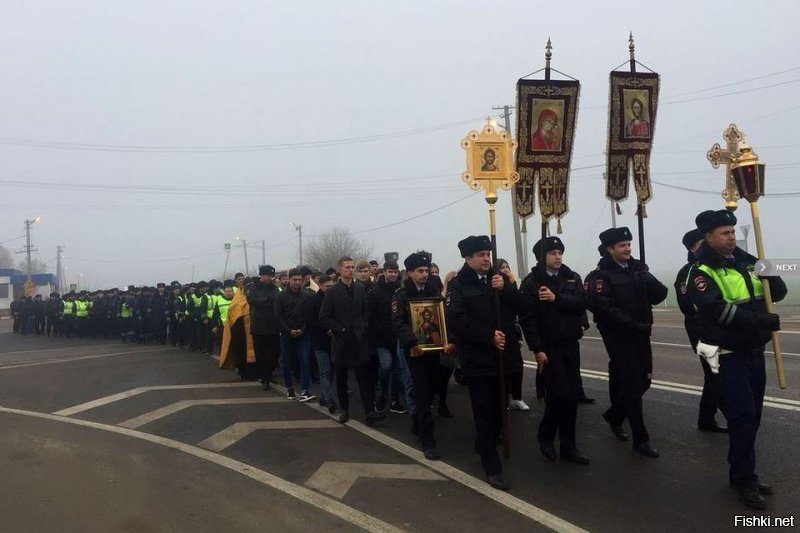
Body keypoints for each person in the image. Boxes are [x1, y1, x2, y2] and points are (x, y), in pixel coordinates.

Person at [686, 209, 786, 509]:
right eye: (724, 233)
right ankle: (745, 479)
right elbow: (717, 311)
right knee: (741, 417)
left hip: (755, 351)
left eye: (732, 231)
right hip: (729, 355)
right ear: (709, 237)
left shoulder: (747, 263)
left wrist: (769, 271)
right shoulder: (701, 272)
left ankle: (739, 471)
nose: (731, 236)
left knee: (752, 416)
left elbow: (775, 293)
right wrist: (760, 322)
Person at [445, 235, 523, 490]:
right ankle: (492, 466)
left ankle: (485, 442)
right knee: (484, 412)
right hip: (478, 359)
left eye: (488, 254)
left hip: (503, 357)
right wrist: (487, 335)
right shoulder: (458, 285)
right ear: (468, 258)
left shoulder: (497, 280)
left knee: (501, 408)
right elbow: (456, 319)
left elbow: (520, 307)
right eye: (480, 255)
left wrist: (506, 289)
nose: (486, 259)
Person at [585, 227, 668, 458]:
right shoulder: (600, 276)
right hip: (618, 335)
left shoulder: (637, 270)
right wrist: (631, 323)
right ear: (610, 249)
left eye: (629, 244)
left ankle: (614, 414)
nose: (628, 249)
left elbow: (660, 294)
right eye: (622, 245)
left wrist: (646, 277)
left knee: (644, 381)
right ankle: (641, 439)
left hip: (641, 332)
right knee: (633, 383)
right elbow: (601, 306)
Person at [519, 237, 590, 465]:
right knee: (559, 393)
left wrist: (556, 298)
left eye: (560, 252)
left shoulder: (571, 277)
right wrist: (537, 349)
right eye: (552, 253)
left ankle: (569, 446)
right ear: (542, 257)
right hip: (549, 346)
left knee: (572, 396)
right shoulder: (532, 283)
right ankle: (546, 435)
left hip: (570, 343)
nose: (558, 257)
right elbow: (528, 319)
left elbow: (581, 303)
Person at [392, 251, 455, 460]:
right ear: (410, 272)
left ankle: (418, 420)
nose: (424, 274)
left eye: (426, 270)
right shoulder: (401, 295)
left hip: (434, 350)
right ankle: (428, 442)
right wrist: (412, 343)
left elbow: (443, 317)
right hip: (414, 351)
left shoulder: (434, 291)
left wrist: (447, 340)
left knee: (432, 389)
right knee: (421, 390)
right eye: (420, 271)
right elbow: (398, 322)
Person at [319, 256, 384, 426]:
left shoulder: (360, 288)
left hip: (358, 339)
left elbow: (366, 312)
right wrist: (339, 329)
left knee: (364, 377)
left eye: (352, 267)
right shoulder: (332, 292)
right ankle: (344, 410)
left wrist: (362, 327)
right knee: (341, 378)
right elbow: (324, 317)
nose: (350, 270)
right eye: (347, 267)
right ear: (340, 269)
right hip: (341, 340)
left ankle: (370, 411)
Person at [675, 228, 728, 433]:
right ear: (692, 247)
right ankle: (732, 415)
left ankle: (706, 418)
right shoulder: (688, 272)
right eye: (702, 242)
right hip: (700, 330)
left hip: (720, 329)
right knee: (715, 374)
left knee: (716, 375)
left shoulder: (716, 266)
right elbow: (687, 305)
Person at [368, 260, 407, 415]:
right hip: (381, 339)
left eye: (395, 272)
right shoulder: (375, 292)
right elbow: (370, 317)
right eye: (390, 271)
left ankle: (395, 400)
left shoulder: (401, 291)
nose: (392, 274)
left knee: (398, 370)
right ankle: (382, 394)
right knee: (386, 366)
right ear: (384, 272)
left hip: (397, 337)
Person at [276, 268, 316, 402]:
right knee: (287, 362)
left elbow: (310, 315)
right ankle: (290, 389)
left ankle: (304, 390)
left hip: (303, 333)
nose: (297, 282)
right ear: (289, 279)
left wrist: (302, 329)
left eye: (300, 280)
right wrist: (288, 330)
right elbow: (278, 316)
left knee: (304, 360)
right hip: (287, 334)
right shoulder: (281, 296)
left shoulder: (307, 296)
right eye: (295, 280)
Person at [497, 258, 528, 411]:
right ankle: (504, 399)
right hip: (499, 331)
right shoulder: (494, 285)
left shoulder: (510, 285)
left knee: (517, 367)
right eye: (502, 267)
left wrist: (519, 335)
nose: (505, 270)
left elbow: (518, 307)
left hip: (512, 331)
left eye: (507, 267)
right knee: (503, 369)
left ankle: (517, 397)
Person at [246, 265, 281, 390]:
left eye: (272, 276)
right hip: (258, 326)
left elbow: (277, 301)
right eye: (268, 275)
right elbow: (253, 301)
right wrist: (267, 300)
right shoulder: (252, 287)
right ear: (262, 275)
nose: (270, 278)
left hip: (273, 326)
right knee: (260, 354)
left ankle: (269, 373)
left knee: (274, 353)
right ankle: (265, 378)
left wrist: (267, 301)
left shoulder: (274, 288)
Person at [309, 275, 337, 413]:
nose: (330, 289)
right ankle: (329, 399)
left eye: (332, 286)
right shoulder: (314, 301)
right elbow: (313, 321)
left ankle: (324, 396)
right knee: (325, 371)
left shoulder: (335, 299)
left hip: (334, 341)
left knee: (332, 371)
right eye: (327, 287)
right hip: (320, 341)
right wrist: (327, 329)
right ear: (320, 285)